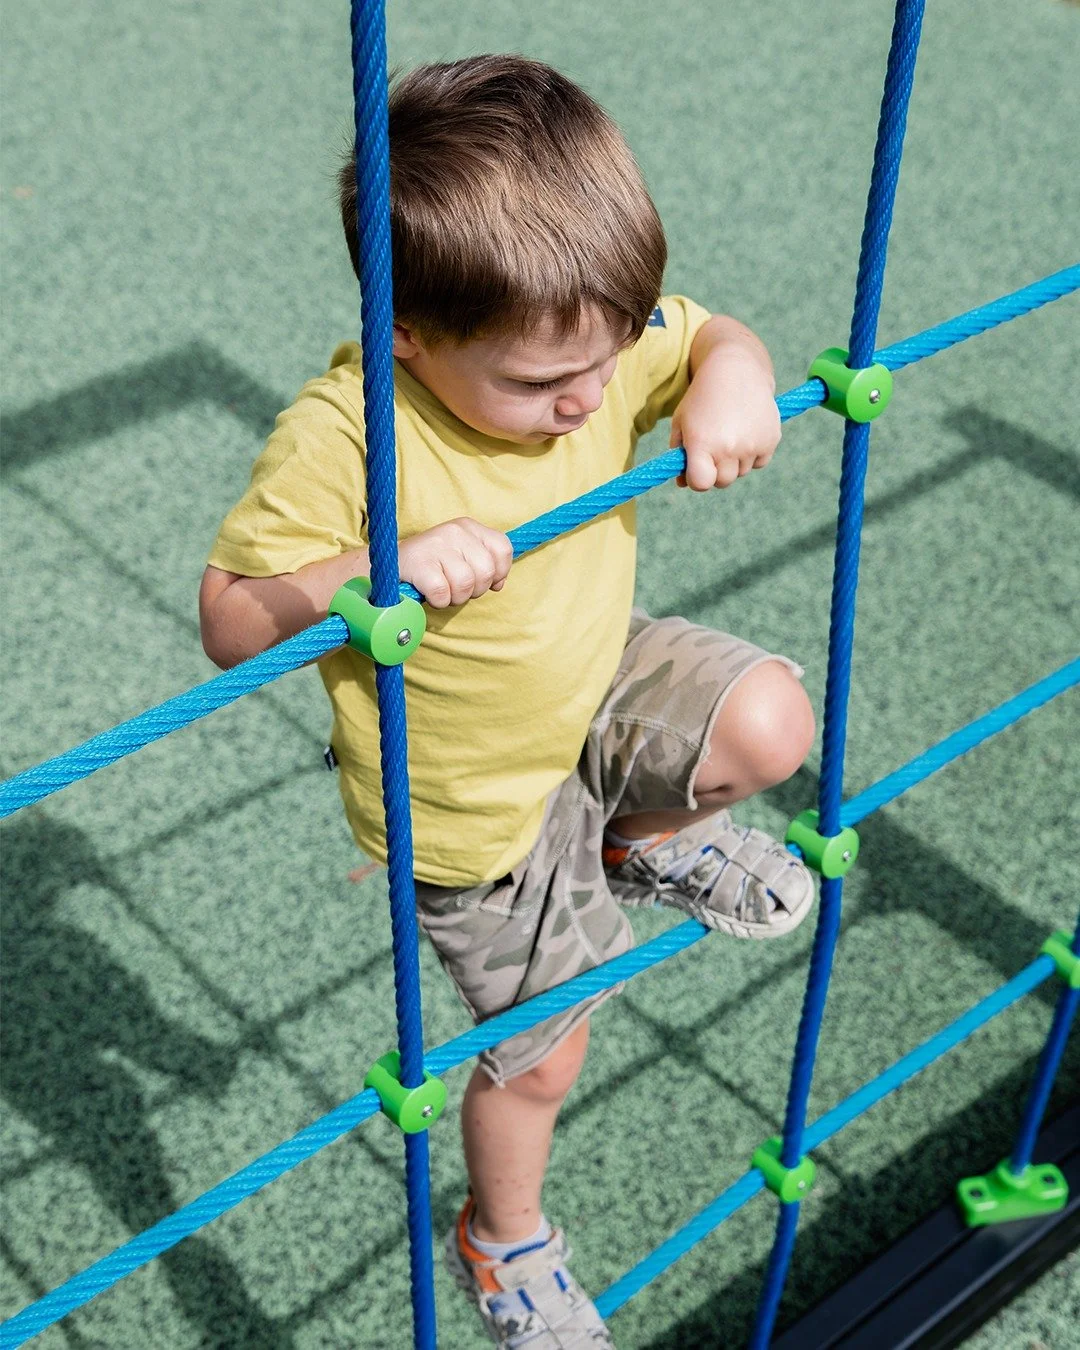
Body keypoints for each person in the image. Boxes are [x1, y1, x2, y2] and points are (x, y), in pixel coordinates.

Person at [200, 54, 816, 1350]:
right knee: (544, 1051)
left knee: (771, 723)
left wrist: (730, 373)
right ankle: (504, 1235)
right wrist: (364, 578)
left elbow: (703, 332)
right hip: (475, 799)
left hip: (592, 672)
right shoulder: (350, 429)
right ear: (409, 337)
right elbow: (229, 614)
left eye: (608, 356)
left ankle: (640, 839)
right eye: (546, 387)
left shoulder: (580, 332)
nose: (591, 401)